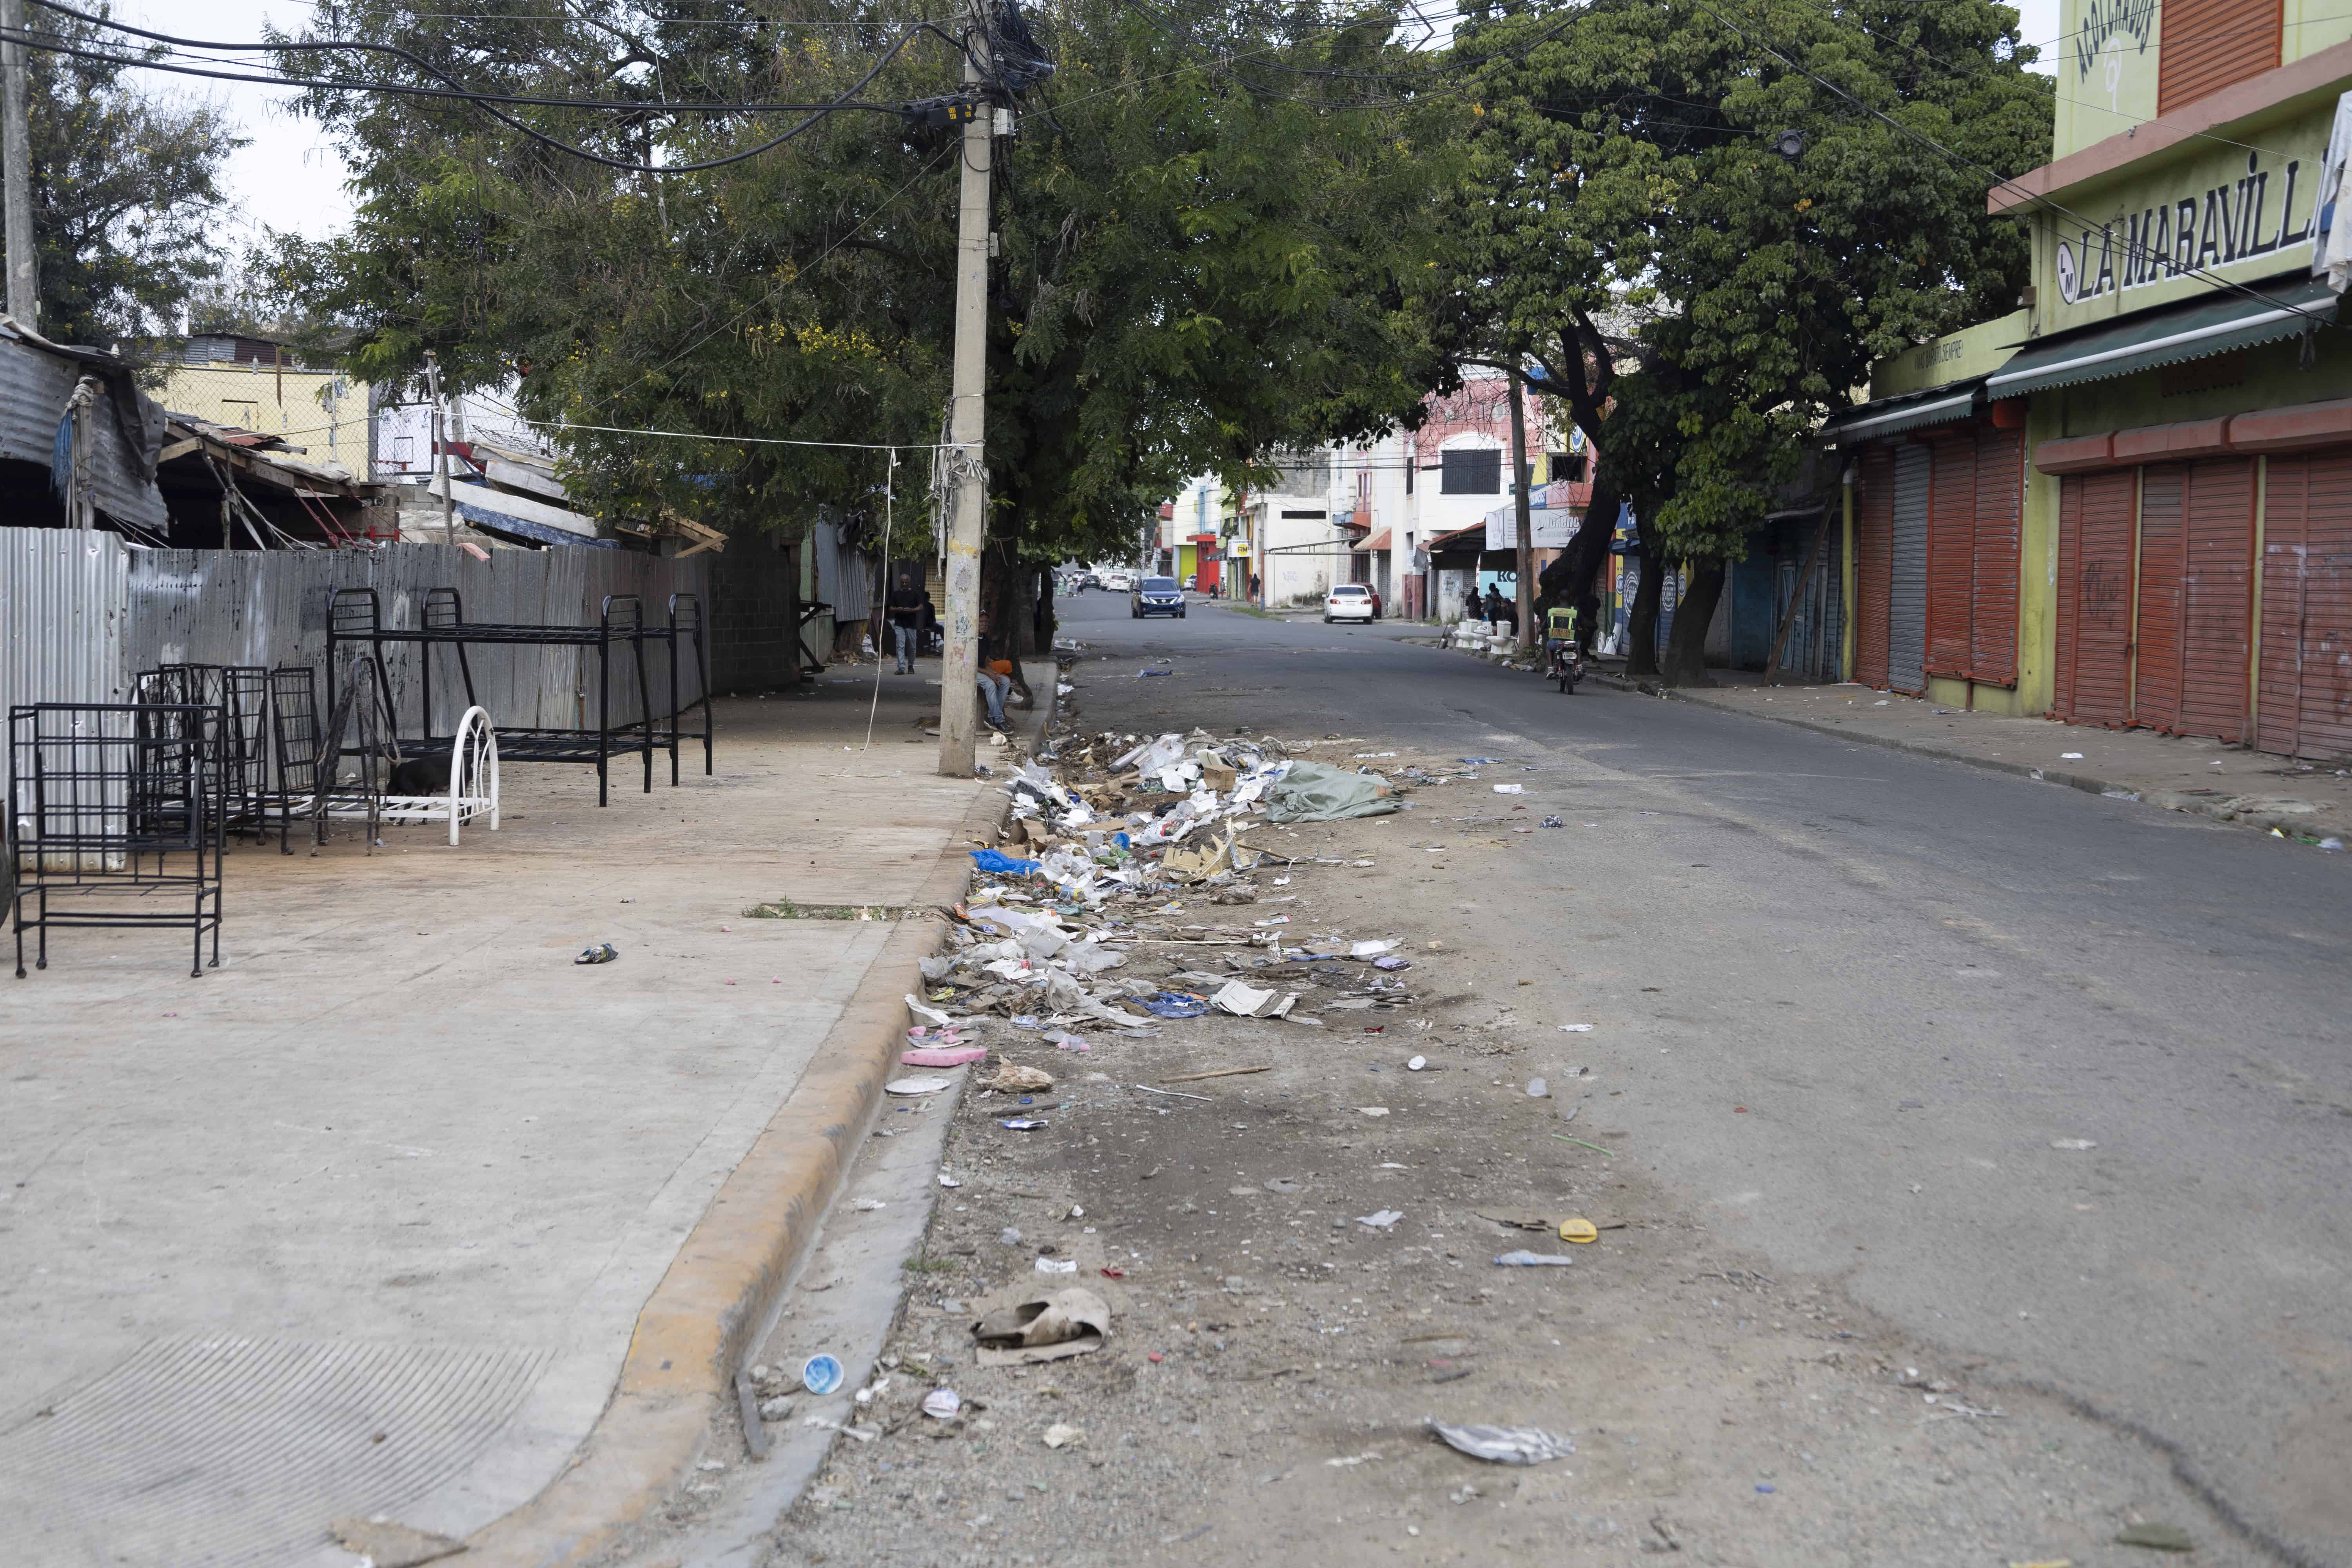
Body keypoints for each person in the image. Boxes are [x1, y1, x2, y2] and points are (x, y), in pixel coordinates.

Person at [975, 613, 1013, 732]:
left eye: (986, 622)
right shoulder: (972, 639)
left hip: (982, 670)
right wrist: (988, 674)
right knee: (990, 684)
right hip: (970, 672)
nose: (984, 624)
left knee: (1005, 681)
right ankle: (999, 720)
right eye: (981, 622)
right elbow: (971, 665)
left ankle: (992, 717)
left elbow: (986, 663)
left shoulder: (986, 640)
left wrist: (993, 674)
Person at [885, 571, 925, 673]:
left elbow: (921, 607)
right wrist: (897, 609)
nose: (904, 584)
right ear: (900, 582)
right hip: (899, 624)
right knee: (900, 645)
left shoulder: (915, 594)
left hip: (911, 625)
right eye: (902, 582)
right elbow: (890, 608)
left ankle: (911, 665)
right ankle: (901, 668)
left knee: (912, 647)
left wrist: (911, 610)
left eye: (906, 582)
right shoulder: (896, 594)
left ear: (909, 582)